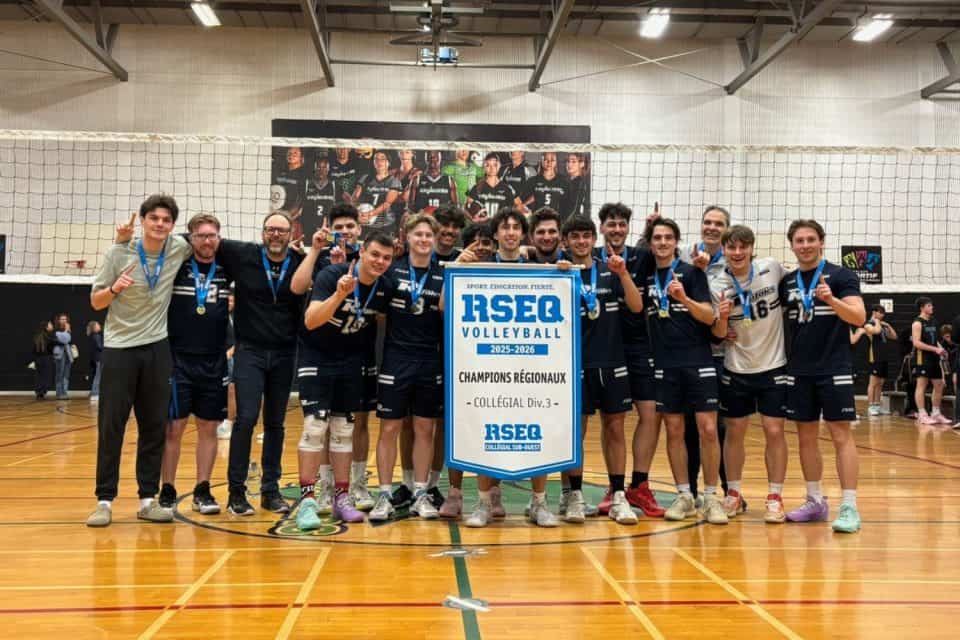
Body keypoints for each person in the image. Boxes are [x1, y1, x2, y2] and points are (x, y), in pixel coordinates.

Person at [86, 195, 194, 527]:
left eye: (166, 220)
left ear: (172, 225)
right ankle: (104, 501)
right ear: (143, 221)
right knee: (111, 426)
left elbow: (206, 239)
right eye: (154, 218)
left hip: (157, 348)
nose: (160, 224)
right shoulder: (118, 253)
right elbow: (95, 302)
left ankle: (148, 499)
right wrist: (115, 288)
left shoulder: (177, 248)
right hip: (119, 349)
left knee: (153, 427)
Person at [294, 232, 396, 529]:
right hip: (317, 358)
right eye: (375, 254)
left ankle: (342, 498)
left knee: (342, 430)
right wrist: (339, 294)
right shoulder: (332, 274)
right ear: (361, 252)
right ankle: (307, 503)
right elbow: (311, 320)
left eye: (387, 258)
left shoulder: (385, 286)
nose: (380, 261)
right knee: (315, 428)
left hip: (350, 363)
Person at [216, 211, 309, 516]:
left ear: (291, 233)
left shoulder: (300, 260)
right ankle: (237, 493)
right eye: (270, 229)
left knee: (276, 423)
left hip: (284, 352)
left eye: (282, 230)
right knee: (244, 419)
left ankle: (271, 490)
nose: (276, 235)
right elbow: (203, 237)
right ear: (263, 233)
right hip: (250, 351)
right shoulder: (243, 255)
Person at [780, 218, 865, 533]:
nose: (804, 245)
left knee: (841, 435)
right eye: (799, 241)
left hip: (834, 368)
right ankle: (815, 501)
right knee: (805, 438)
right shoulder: (787, 282)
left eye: (810, 239)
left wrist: (831, 299)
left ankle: (849, 506)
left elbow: (858, 316)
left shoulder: (841, 275)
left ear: (821, 241)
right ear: (792, 245)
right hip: (799, 371)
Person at [642, 218, 727, 525]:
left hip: (698, 361)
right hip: (665, 364)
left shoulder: (692, 273)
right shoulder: (647, 275)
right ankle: (684, 496)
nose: (662, 242)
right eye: (657, 238)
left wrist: (683, 299)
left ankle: (711, 496)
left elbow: (708, 316)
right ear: (650, 243)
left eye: (667, 237)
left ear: (676, 242)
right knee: (674, 431)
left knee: (707, 429)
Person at [367, 214, 446, 521]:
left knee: (425, 428)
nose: (424, 239)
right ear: (408, 236)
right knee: (389, 428)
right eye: (419, 234)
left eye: (429, 235)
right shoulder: (392, 270)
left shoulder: (443, 274)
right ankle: (385, 495)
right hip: (396, 358)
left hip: (430, 359)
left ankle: (421, 493)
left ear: (434, 239)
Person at [710, 225, 790, 523]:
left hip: (773, 365)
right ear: (725, 250)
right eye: (732, 247)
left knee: (774, 431)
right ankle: (733, 493)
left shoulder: (772, 268)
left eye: (743, 247)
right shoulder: (718, 283)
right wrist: (722, 317)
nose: (738, 252)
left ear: (752, 248)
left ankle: (775, 497)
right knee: (735, 432)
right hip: (736, 367)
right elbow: (717, 335)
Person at [157, 213, 232, 515]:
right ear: (190, 238)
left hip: (214, 361)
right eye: (201, 235)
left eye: (212, 235)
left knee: (208, 428)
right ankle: (168, 489)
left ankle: (203, 489)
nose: (207, 240)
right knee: (174, 428)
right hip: (179, 360)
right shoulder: (177, 266)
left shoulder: (227, 268)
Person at [593, 203, 663, 518]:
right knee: (613, 420)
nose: (617, 229)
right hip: (605, 346)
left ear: (628, 228)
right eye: (611, 224)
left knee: (651, 415)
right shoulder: (591, 257)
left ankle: (640, 484)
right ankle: (615, 486)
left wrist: (653, 230)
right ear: (602, 226)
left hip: (640, 346)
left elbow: (669, 251)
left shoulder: (643, 257)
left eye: (622, 224)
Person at [850, 305, 897, 417]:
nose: (883, 315)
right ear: (874, 312)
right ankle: (871, 406)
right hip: (874, 356)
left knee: (880, 383)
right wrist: (877, 321)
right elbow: (876, 331)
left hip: (884, 356)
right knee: (873, 383)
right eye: (881, 313)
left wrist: (888, 325)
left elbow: (894, 336)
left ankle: (877, 405)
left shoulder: (882, 325)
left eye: (883, 313)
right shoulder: (868, 324)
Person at [911, 297, 950, 426]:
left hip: (934, 358)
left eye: (932, 305)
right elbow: (916, 343)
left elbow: (935, 340)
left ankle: (936, 413)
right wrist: (934, 349)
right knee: (921, 385)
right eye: (929, 305)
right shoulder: (917, 323)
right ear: (922, 307)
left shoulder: (933, 321)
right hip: (922, 358)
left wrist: (941, 348)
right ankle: (922, 414)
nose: (932, 307)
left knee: (939, 385)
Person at [353, 151, 402, 238]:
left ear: (388, 162)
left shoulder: (394, 181)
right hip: (366, 225)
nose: (379, 162)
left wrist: (371, 214)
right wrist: (358, 212)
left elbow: (387, 203)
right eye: (376, 159)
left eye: (382, 159)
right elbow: (354, 198)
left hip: (386, 225)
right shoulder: (365, 178)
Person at [464, 153, 520, 220]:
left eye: (495, 165)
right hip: (483, 227)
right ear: (484, 167)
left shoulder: (507, 188)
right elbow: (466, 207)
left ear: (499, 166)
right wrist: (473, 219)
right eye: (488, 165)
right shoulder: (477, 187)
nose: (492, 168)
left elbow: (519, 206)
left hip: (499, 227)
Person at [518, 152, 571, 220]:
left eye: (552, 160)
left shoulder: (563, 182)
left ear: (556, 162)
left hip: (555, 221)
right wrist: (526, 208)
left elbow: (568, 206)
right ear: (541, 161)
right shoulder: (532, 181)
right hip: (537, 221)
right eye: (546, 159)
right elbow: (520, 203)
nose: (549, 162)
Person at [300, 155, 338, 240]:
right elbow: (299, 206)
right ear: (314, 169)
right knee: (310, 248)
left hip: (329, 227)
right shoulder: (306, 184)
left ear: (328, 169)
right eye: (319, 167)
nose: (321, 170)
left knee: (329, 246)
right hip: (309, 227)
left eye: (324, 167)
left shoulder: (334, 185)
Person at [275, 147, 307, 216]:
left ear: (301, 157)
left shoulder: (304, 175)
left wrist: (289, 215)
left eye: (295, 153)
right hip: (277, 212)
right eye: (289, 153)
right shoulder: (280, 172)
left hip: (292, 216)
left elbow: (301, 201)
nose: (291, 155)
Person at [32, 320, 56, 400]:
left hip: (38, 359)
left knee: (39, 376)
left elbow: (34, 350)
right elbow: (56, 343)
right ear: (46, 327)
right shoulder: (48, 336)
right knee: (46, 377)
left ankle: (39, 393)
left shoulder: (37, 336)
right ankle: (41, 393)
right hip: (46, 359)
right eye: (50, 324)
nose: (52, 326)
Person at [52, 313, 74, 400]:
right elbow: (66, 339)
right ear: (58, 320)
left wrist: (67, 331)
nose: (64, 321)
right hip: (59, 354)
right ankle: (59, 393)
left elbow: (68, 340)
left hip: (67, 353)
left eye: (65, 319)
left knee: (66, 375)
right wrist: (67, 331)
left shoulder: (67, 330)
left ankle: (65, 392)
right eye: (62, 319)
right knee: (59, 374)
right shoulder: (55, 330)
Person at [563, 152, 589, 218]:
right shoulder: (568, 182)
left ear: (582, 164)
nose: (569, 164)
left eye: (573, 161)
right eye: (568, 161)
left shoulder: (579, 183)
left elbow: (574, 208)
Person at [87, 321, 103, 403]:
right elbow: (100, 347)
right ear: (94, 327)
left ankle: (94, 393)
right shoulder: (96, 336)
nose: (100, 326)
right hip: (99, 358)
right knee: (98, 376)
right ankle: (95, 393)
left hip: (95, 359)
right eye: (98, 325)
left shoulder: (92, 336)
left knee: (97, 376)